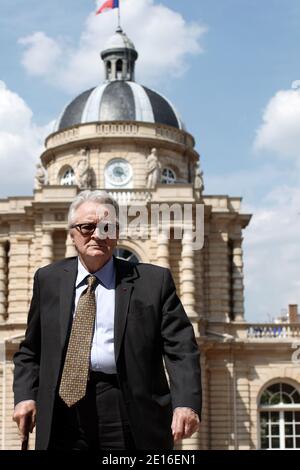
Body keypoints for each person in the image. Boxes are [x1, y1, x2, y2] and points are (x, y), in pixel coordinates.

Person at [13, 190, 202, 450]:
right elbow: (30, 351)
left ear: (117, 233)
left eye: (107, 227)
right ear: (72, 233)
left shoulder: (153, 281)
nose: (98, 235)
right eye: (87, 227)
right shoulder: (47, 280)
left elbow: (181, 347)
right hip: (61, 410)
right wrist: (25, 396)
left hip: (126, 407)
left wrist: (186, 402)